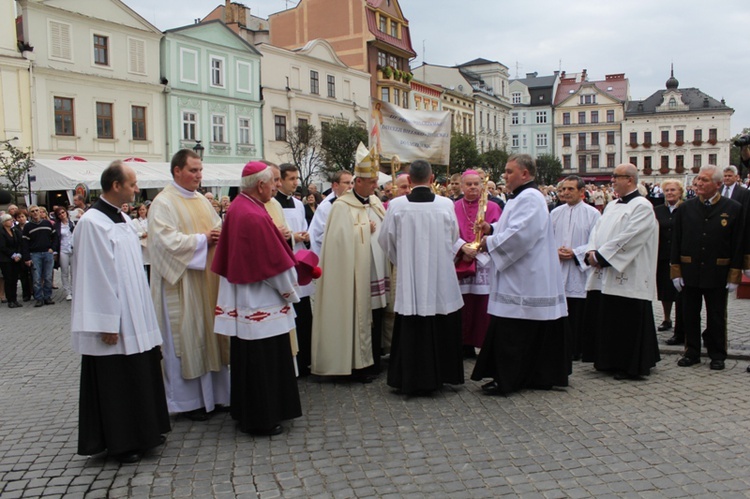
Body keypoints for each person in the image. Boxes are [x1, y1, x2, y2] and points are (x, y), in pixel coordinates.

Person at [71, 161, 170, 464]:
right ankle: (123, 441)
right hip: (115, 320)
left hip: (134, 313)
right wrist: (106, 322)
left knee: (139, 373)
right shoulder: (92, 223)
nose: (136, 189)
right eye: (132, 184)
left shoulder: (123, 219)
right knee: (118, 380)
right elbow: (95, 276)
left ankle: (145, 432)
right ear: (116, 186)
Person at [212, 162, 302, 435]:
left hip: (246, 298)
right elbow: (274, 265)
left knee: (248, 359)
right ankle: (262, 418)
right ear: (260, 185)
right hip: (261, 301)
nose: (275, 186)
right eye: (272, 182)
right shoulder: (254, 215)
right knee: (264, 362)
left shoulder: (241, 206)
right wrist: (291, 291)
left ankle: (245, 411)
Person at [471, 154, 569, 395]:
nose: (504, 175)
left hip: (525, 277)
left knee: (514, 331)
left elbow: (520, 235)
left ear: (524, 174)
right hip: (520, 273)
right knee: (517, 329)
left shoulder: (531, 198)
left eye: (509, 171)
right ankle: (527, 375)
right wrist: (492, 228)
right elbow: (511, 227)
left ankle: (510, 379)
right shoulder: (521, 198)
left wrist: (488, 242)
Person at [148, 149, 230, 421]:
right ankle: (188, 402)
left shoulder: (202, 200)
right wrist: (202, 239)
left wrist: (218, 234)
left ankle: (217, 397)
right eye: (193, 170)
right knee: (187, 337)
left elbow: (218, 226)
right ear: (177, 171)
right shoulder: (163, 202)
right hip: (182, 283)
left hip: (207, 279)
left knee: (211, 335)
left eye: (200, 170)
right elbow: (163, 242)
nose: (198, 175)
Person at [379, 159, 464, 395]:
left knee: (411, 321)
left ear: (409, 179)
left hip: (410, 276)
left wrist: (403, 261)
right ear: (432, 178)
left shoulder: (396, 205)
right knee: (440, 316)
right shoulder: (446, 204)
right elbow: (453, 237)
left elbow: (385, 240)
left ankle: (408, 376)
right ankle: (443, 374)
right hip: (440, 275)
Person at [311, 144, 389, 381]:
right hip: (354, 275)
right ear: (358, 181)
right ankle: (358, 364)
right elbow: (338, 241)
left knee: (377, 314)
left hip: (376, 271)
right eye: (372, 181)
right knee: (358, 315)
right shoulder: (341, 206)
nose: (376, 185)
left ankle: (375, 359)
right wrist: (365, 227)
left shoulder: (374, 202)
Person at [583, 163, 660, 380]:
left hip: (629, 271)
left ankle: (628, 364)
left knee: (626, 320)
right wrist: (591, 250)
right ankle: (608, 360)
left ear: (630, 179)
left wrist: (601, 256)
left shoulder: (642, 206)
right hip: (606, 270)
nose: (613, 180)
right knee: (609, 318)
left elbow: (631, 236)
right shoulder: (612, 205)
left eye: (617, 177)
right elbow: (597, 230)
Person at [672, 164, 745, 371]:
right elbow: (677, 240)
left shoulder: (733, 209)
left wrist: (734, 274)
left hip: (717, 271)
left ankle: (717, 353)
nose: (699, 183)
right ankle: (692, 351)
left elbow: (738, 243)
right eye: (698, 180)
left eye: (704, 180)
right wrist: (675, 270)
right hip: (690, 270)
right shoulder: (685, 207)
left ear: (718, 184)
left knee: (716, 315)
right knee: (690, 313)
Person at [550, 175, 600, 361]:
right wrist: (555, 251)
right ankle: (559, 346)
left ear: (581, 192)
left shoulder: (592, 214)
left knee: (578, 311)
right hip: (558, 267)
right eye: (563, 189)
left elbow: (596, 241)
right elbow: (546, 238)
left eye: (570, 189)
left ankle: (577, 348)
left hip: (580, 271)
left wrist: (576, 252)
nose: (565, 193)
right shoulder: (555, 213)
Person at [453, 170, 501, 358]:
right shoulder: (454, 207)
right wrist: (462, 248)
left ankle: (482, 343)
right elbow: (448, 233)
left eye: (476, 184)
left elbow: (500, 232)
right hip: (462, 260)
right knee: (463, 304)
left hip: (485, 263)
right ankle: (463, 343)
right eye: (469, 184)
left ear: (482, 186)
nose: (473, 187)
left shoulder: (493, 207)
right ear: (462, 186)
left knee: (483, 305)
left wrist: (483, 247)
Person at [275, 164, 313, 377]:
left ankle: (305, 358)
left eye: (296, 178)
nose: (295, 182)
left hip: (299, 260)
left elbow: (306, 226)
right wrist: (292, 238)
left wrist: (304, 237)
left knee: (304, 313)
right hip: (285, 261)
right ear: (279, 180)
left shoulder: (299, 204)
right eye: (291, 178)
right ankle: (292, 359)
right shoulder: (273, 204)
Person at [654, 180, 684, 344]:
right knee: (665, 289)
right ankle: (666, 318)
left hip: (679, 257)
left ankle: (681, 322)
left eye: (673, 190)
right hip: (663, 256)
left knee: (680, 291)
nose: (670, 193)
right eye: (666, 190)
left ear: (680, 192)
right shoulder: (658, 210)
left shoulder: (686, 209)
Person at [308, 170, 354, 256]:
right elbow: (318, 236)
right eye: (347, 183)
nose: (351, 186)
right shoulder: (327, 206)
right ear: (335, 185)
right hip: (333, 254)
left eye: (352, 183)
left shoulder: (354, 202)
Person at [22, 204, 57, 307]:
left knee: (48, 277)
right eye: (32, 211)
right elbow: (25, 243)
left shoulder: (47, 223)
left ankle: (47, 297)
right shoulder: (27, 227)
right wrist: (27, 257)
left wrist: (53, 249)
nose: (35, 213)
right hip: (35, 254)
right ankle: (38, 298)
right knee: (36, 278)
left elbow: (55, 237)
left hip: (47, 253)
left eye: (37, 210)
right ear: (29, 214)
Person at [0, 213, 23, 308]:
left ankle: (15, 299)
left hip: (16, 258)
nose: (11, 221)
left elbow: (19, 243)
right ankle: (10, 300)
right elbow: (2, 247)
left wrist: (18, 253)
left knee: (14, 279)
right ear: (4, 222)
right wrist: (12, 255)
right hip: (6, 259)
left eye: (11, 220)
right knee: (8, 279)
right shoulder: (1, 232)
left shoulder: (14, 231)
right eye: (9, 220)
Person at [53, 207, 75, 301]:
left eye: (63, 212)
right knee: (64, 271)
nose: (62, 215)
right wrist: (55, 251)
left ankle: (74, 290)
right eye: (59, 214)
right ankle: (67, 291)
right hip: (63, 249)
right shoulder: (57, 225)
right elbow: (55, 239)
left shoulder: (72, 223)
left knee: (74, 272)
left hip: (73, 249)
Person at [13, 210, 32, 301]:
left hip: (31, 252)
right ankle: (26, 294)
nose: (21, 219)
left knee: (33, 274)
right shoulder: (15, 229)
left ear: (26, 217)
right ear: (16, 219)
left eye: (23, 216)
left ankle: (35, 292)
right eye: (19, 217)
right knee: (23, 275)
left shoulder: (30, 226)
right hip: (21, 253)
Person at [129, 203, 150, 280]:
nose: (142, 211)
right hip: (140, 245)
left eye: (143, 209)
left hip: (149, 246)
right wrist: (141, 234)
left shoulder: (149, 220)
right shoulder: (134, 221)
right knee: (141, 264)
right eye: (140, 210)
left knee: (149, 265)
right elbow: (132, 232)